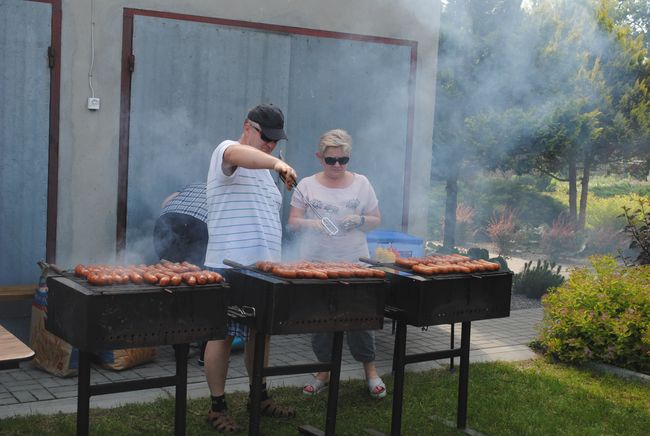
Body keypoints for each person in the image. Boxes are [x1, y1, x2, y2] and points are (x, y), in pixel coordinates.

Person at [203, 103, 297, 433]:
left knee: (261, 333)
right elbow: (241, 156)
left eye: (276, 141)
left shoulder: (268, 178)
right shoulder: (226, 152)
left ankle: (259, 396)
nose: (271, 145)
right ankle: (217, 406)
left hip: (263, 269)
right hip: (228, 267)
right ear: (248, 126)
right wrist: (277, 163)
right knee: (223, 335)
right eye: (266, 138)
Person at [287, 129, 386, 400]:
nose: (338, 166)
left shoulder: (362, 183)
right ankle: (323, 373)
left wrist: (360, 221)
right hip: (318, 264)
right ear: (320, 158)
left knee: (362, 320)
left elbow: (376, 218)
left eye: (344, 160)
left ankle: (371, 372)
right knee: (321, 323)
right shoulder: (307, 185)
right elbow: (293, 223)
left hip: (356, 262)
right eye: (332, 160)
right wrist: (315, 223)